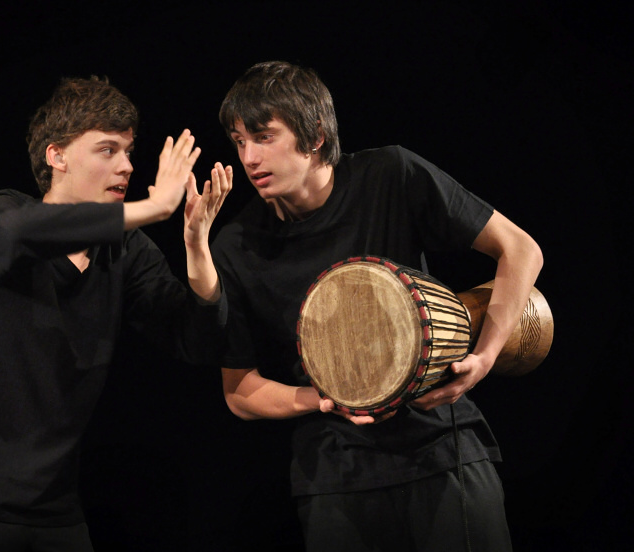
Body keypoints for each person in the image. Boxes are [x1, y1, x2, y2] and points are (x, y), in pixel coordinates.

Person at [211, 61, 543, 552]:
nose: (248, 157)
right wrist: (323, 399)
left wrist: (485, 357)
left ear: (315, 135)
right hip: (335, 475)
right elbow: (240, 391)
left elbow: (520, 249)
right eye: (239, 141)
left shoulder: (390, 173)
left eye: (263, 137)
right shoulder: (237, 244)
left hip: (440, 450)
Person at [0, 75, 232, 551]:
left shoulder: (127, 251)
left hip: (53, 507)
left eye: (128, 151)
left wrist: (196, 246)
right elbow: (15, 234)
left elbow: (196, 338)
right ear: (56, 156)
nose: (126, 165)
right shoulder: (5, 212)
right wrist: (153, 207)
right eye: (107, 150)